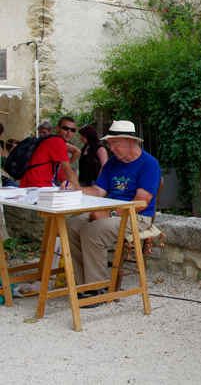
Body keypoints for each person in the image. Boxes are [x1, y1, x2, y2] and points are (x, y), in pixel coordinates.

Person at [66, 120, 161, 307]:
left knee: (92, 231)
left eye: (116, 143)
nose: (112, 148)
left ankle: (97, 288)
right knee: (71, 226)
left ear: (131, 142)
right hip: (111, 211)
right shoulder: (112, 163)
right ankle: (82, 283)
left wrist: (108, 213)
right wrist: (74, 188)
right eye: (111, 143)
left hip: (137, 216)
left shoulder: (149, 164)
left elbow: (141, 203)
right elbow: (97, 191)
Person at [21, 117, 81, 188]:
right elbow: (69, 172)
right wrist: (81, 192)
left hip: (31, 184)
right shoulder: (58, 142)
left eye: (72, 130)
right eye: (65, 128)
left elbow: (76, 151)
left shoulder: (51, 139)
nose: (69, 132)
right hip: (37, 185)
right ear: (58, 129)